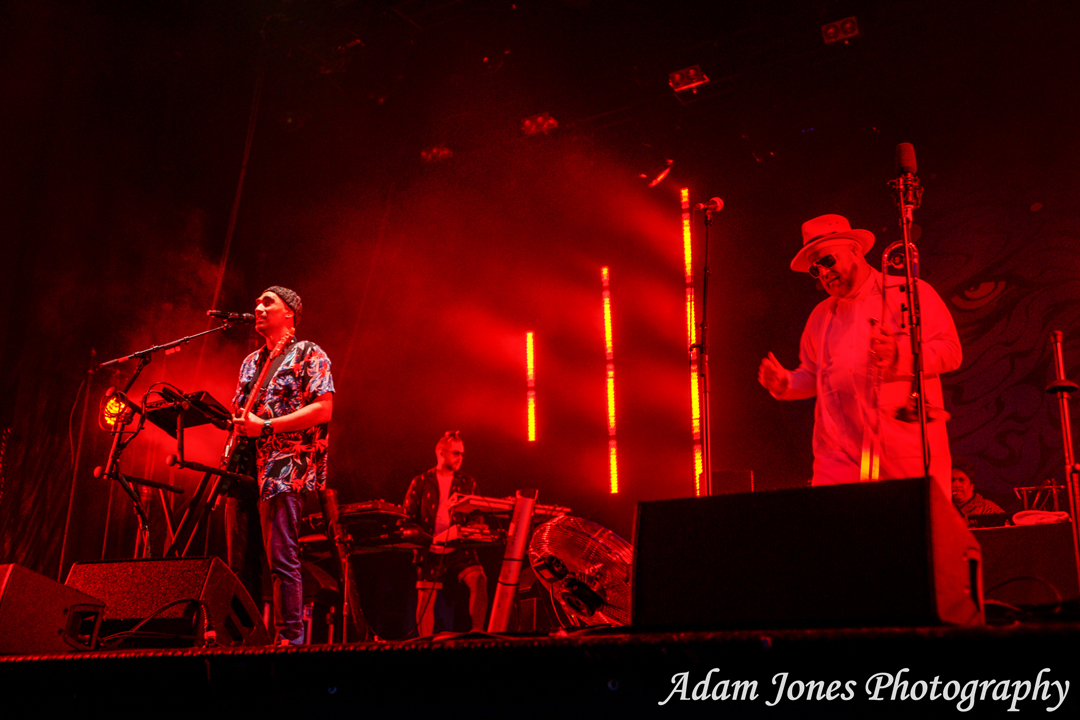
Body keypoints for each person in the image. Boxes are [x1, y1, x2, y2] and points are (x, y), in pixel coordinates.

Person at [758, 214, 962, 497]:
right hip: (838, 453)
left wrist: (899, 355)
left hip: (903, 448)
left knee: (911, 521)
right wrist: (786, 384)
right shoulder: (821, 315)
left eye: (827, 260)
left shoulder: (909, 292)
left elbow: (951, 352)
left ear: (854, 249)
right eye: (816, 269)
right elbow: (814, 374)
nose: (823, 272)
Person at [227, 286, 334, 645]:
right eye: (257, 302)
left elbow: (323, 408)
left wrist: (267, 426)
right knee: (238, 562)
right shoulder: (250, 362)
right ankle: (242, 640)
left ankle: (290, 640)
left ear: (290, 312)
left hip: (284, 466)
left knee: (280, 557)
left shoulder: (309, 353)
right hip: (243, 465)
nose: (258, 307)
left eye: (267, 302)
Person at [403, 431, 488, 636]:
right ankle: (425, 642)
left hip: (459, 546)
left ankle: (477, 632)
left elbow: (476, 513)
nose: (460, 458)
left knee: (479, 579)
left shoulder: (468, 482)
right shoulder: (421, 481)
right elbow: (407, 516)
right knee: (426, 596)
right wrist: (420, 539)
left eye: (462, 454)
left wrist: (473, 527)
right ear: (441, 453)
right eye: (456, 453)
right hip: (429, 546)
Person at [951, 456, 1004, 521]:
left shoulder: (988, 508)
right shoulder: (942, 508)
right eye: (952, 480)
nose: (956, 485)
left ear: (972, 484)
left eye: (961, 480)